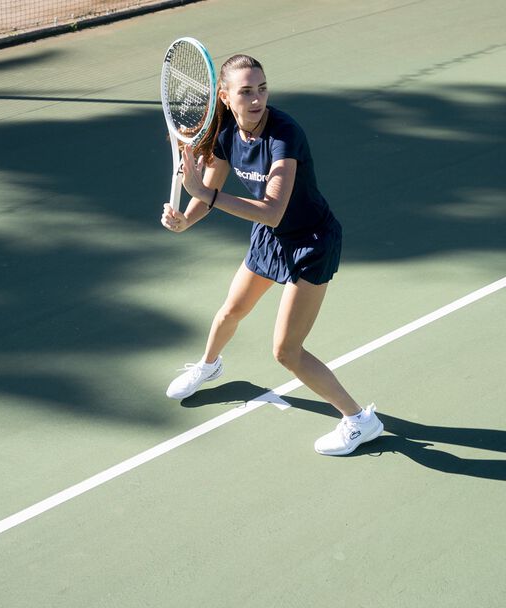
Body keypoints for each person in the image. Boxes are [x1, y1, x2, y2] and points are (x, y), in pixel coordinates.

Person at [160, 54, 383, 456]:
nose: (257, 99)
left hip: (311, 241)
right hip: (270, 237)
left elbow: (273, 209)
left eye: (262, 89)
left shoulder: (284, 134)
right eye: (246, 91)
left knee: (286, 351)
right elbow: (207, 192)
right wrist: (186, 220)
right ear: (225, 97)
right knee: (231, 310)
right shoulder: (225, 132)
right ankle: (209, 365)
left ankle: (359, 420)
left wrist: (205, 193)